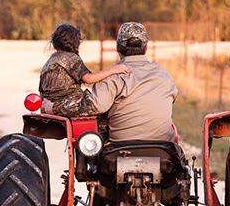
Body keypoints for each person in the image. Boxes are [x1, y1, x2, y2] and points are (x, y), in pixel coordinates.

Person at [43, 22, 178, 142]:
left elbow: (91, 106)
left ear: (117, 47)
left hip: (121, 149)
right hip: (164, 150)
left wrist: (52, 107)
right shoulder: (165, 75)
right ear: (146, 48)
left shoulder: (114, 77)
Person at [39, 23, 129, 116]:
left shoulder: (49, 62)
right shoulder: (71, 58)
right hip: (71, 105)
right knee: (105, 114)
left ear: (54, 42)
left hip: (51, 105)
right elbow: (89, 78)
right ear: (75, 42)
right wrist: (113, 70)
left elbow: (42, 93)